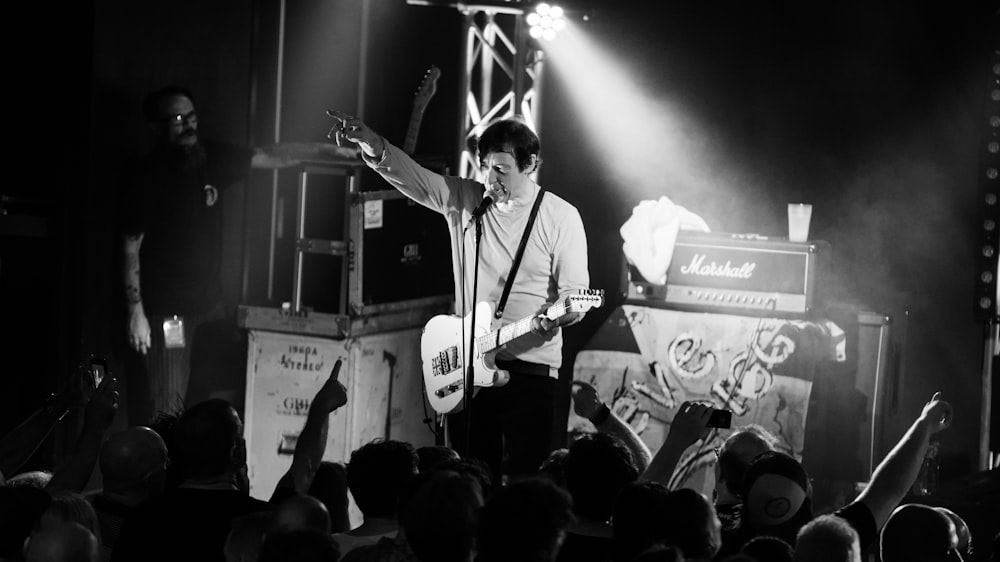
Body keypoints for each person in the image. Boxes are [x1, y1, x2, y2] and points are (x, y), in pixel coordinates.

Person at [326, 110, 591, 482]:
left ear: (531, 164)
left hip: (530, 370)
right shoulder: (466, 200)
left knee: (527, 484)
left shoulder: (561, 216)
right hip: (468, 367)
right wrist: (372, 142)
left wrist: (564, 314)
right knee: (468, 478)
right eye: (485, 168)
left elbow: (575, 295)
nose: (490, 179)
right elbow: (412, 179)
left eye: (501, 170)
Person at [122, 85, 358, 426]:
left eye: (191, 116)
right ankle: (161, 469)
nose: (188, 125)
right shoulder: (148, 176)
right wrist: (136, 310)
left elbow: (272, 155)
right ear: (156, 127)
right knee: (167, 402)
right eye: (177, 118)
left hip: (210, 305)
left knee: (212, 396)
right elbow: (130, 244)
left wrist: (348, 154)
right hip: (169, 312)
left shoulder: (208, 158)